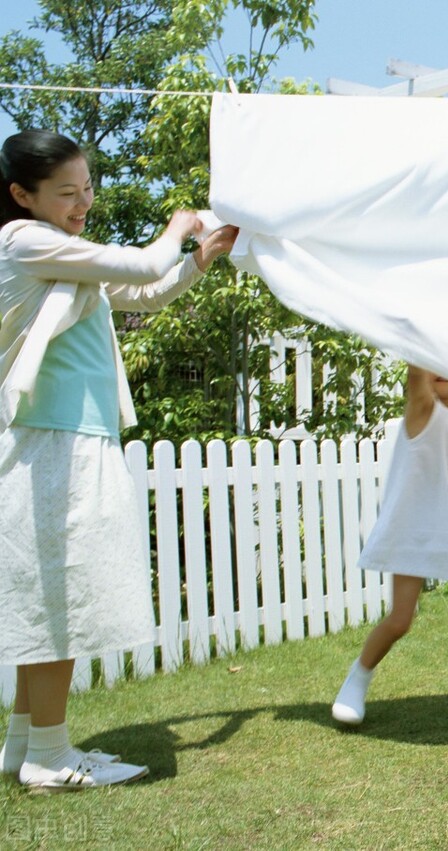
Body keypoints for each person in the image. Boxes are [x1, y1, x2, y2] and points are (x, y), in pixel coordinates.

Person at [0, 129, 238, 791]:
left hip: (70, 438)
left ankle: (27, 742)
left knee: (53, 597)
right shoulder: (23, 240)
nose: (83, 202)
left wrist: (198, 258)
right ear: (22, 195)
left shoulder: (65, 257)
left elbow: (140, 294)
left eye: (87, 187)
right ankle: (50, 756)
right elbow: (138, 267)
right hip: (54, 441)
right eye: (66, 193)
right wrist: (175, 229)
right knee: (62, 600)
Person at [331, 367, 448, 726]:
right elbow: (418, 370)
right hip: (417, 528)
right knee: (401, 619)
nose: (440, 371)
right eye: (435, 362)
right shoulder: (421, 409)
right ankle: (356, 679)